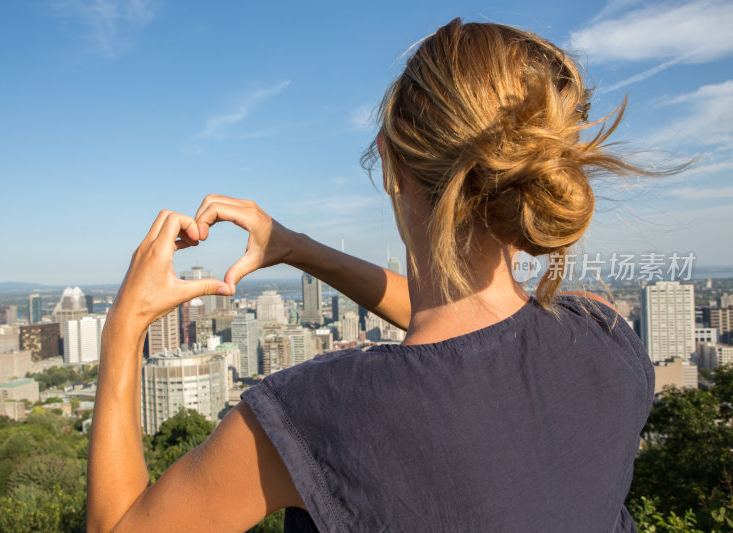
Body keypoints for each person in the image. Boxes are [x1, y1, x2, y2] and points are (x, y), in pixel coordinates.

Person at [87, 19, 654, 532]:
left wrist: (125, 326)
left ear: (389, 162)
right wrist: (295, 248)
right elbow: (464, 339)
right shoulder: (606, 336)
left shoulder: (316, 413)